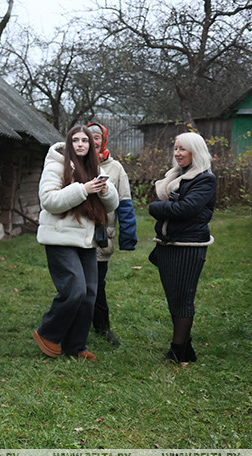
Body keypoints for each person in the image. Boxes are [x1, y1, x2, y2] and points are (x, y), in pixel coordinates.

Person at [32, 125, 119, 362]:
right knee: (74, 289)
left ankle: (76, 346)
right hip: (60, 238)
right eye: (76, 140)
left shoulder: (95, 169)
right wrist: (83, 189)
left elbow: (112, 205)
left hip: (86, 241)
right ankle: (47, 333)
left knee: (90, 293)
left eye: (85, 141)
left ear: (91, 146)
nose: (81, 144)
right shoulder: (56, 165)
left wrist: (102, 190)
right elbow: (49, 201)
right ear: (69, 144)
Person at [148, 132, 216, 364]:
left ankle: (178, 351)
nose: (177, 153)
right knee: (173, 297)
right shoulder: (177, 176)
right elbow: (176, 207)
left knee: (183, 298)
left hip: (189, 246)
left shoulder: (205, 179)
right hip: (168, 243)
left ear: (195, 152)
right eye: (175, 148)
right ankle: (186, 349)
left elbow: (185, 209)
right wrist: (166, 205)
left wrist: (156, 207)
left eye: (182, 149)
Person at [86, 122, 137, 346]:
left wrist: (128, 236)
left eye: (97, 138)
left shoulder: (115, 168)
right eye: (90, 137)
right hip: (76, 233)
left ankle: (102, 326)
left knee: (98, 283)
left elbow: (124, 203)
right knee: (77, 282)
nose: (94, 142)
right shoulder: (76, 163)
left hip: (101, 235)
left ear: (103, 141)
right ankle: (77, 323)